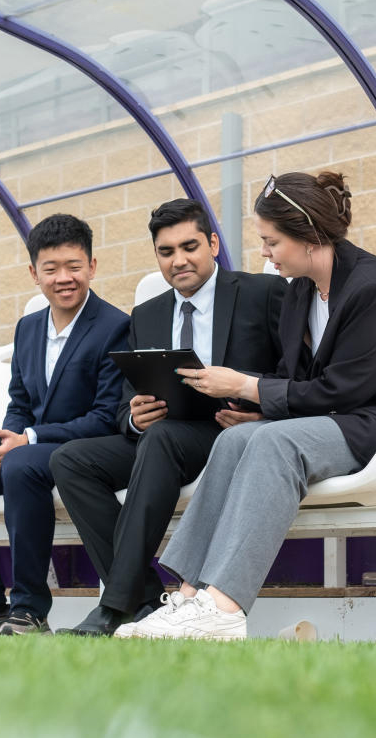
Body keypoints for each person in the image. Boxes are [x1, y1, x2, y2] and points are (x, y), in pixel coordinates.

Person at [122, 171, 376, 640]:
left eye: (271, 241)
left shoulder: (372, 287)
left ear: (308, 236)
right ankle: (186, 597)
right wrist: (260, 409)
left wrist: (245, 386)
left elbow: (343, 391)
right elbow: (300, 378)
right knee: (238, 438)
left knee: (275, 445)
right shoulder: (302, 288)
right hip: (346, 415)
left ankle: (223, 608)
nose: (263, 252)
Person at [50, 199, 287, 636]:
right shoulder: (147, 314)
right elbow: (126, 402)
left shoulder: (264, 293)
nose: (179, 260)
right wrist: (135, 417)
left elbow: (295, 373)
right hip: (168, 435)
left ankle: (113, 604)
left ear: (213, 244)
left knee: (161, 441)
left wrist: (260, 410)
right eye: (166, 251)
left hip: (236, 433)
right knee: (71, 460)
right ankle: (140, 598)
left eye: (190, 246)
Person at [0, 213, 130, 635]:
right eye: (51, 269)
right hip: (28, 453)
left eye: (74, 266)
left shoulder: (116, 327)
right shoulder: (29, 328)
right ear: (34, 274)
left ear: (92, 266)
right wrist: (7, 436)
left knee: (22, 463)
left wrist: (30, 438)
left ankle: (30, 609)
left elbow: (106, 417)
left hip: (81, 452)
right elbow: (20, 400)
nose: (64, 278)